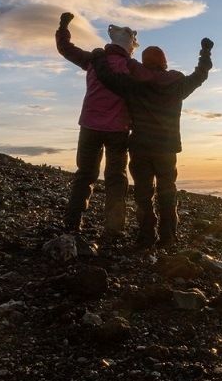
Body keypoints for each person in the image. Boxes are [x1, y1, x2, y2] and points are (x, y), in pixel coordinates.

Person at [91, 38, 213, 249]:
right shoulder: (177, 85)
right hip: (166, 149)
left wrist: (100, 57)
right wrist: (205, 52)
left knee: (143, 194)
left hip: (141, 147)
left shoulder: (134, 84)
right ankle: (168, 237)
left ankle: (146, 236)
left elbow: (106, 77)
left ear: (143, 63)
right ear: (164, 63)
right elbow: (201, 74)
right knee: (167, 191)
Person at [55, 12, 153, 242]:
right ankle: (114, 228)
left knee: (85, 175)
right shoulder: (132, 67)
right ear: (129, 46)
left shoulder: (93, 60)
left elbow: (66, 48)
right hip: (118, 130)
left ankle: (72, 222)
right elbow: (155, 81)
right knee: (116, 178)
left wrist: (63, 26)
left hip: (89, 126)